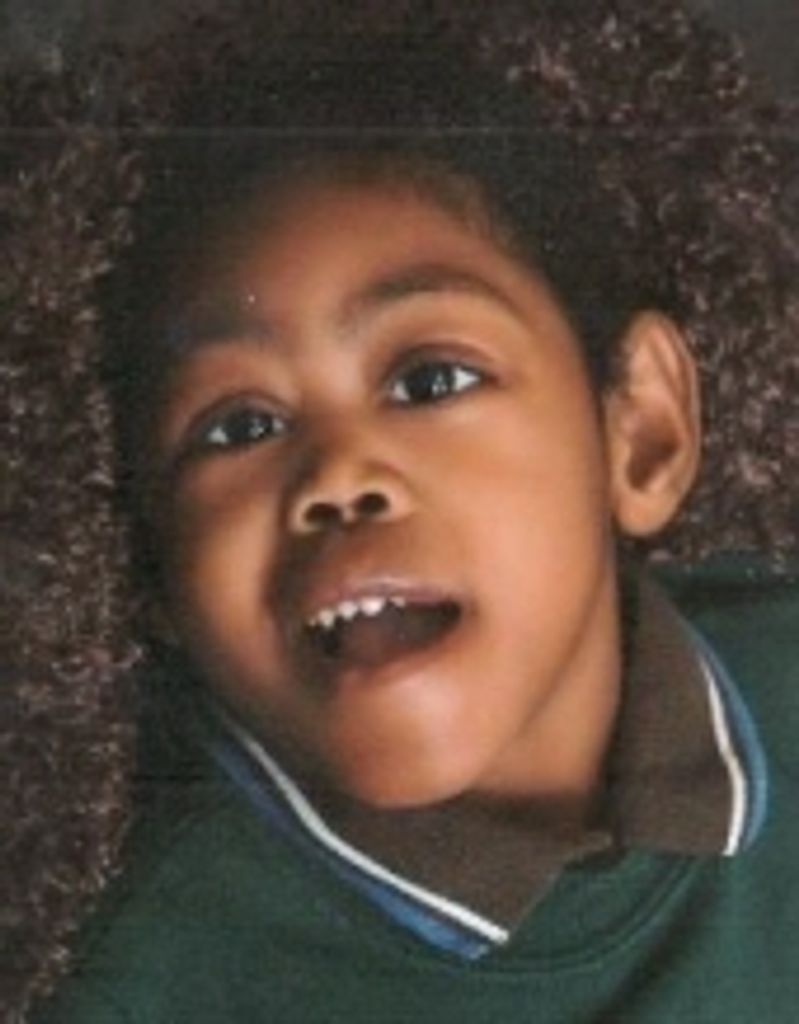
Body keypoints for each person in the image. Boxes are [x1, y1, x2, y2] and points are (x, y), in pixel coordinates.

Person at [9, 1, 797, 1021]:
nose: (338, 473)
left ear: (640, 431)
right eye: (239, 426)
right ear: (143, 567)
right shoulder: (139, 984)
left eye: (430, 380)